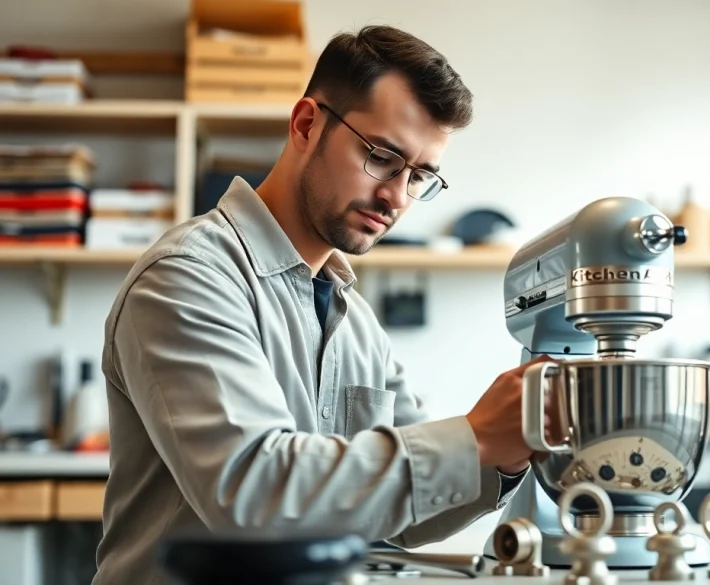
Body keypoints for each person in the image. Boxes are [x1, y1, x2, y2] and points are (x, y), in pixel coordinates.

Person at [93, 25, 550, 585]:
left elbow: (404, 514)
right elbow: (253, 496)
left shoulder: (353, 320)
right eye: (383, 157)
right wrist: (475, 436)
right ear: (307, 124)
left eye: (421, 176)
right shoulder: (188, 278)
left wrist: (502, 455)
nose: (398, 197)